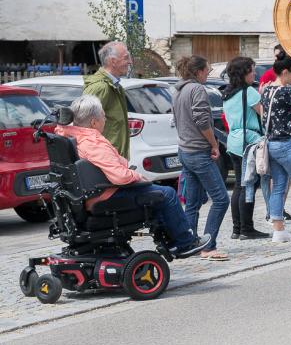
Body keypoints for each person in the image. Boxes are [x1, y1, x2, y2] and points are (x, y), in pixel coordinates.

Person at [59, 95, 210, 257]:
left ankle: (172, 241)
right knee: (167, 194)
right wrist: (137, 176)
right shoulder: (92, 143)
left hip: (97, 193)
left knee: (156, 193)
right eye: (103, 115)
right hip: (106, 195)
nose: (105, 119)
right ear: (94, 122)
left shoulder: (72, 136)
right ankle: (185, 243)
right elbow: (120, 177)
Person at [172, 55, 230, 261]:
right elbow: (203, 120)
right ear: (198, 72)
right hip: (198, 151)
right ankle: (208, 245)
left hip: (185, 150)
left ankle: (189, 244)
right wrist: (214, 144)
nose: (209, 74)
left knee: (193, 203)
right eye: (207, 70)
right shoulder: (196, 89)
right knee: (221, 199)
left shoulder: (178, 90)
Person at [222, 56, 267, 239]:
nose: (255, 74)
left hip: (233, 141)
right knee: (248, 185)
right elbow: (264, 115)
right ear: (244, 73)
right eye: (252, 70)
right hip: (249, 141)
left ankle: (237, 228)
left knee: (239, 186)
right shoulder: (249, 92)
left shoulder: (227, 93)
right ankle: (247, 229)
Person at [262, 58, 291, 243]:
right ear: (285, 72)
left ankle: (278, 231)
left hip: (271, 144)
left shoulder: (267, 89)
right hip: (287, 144)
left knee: (278, 186)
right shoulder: (286, 90)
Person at [82, 41, 132, 159]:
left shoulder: (115, 85)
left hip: (113, 158)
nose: (130, 62)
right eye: (126, 58)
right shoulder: (101, 87)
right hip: (105, 160)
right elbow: (84, 126)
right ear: (113, 61)